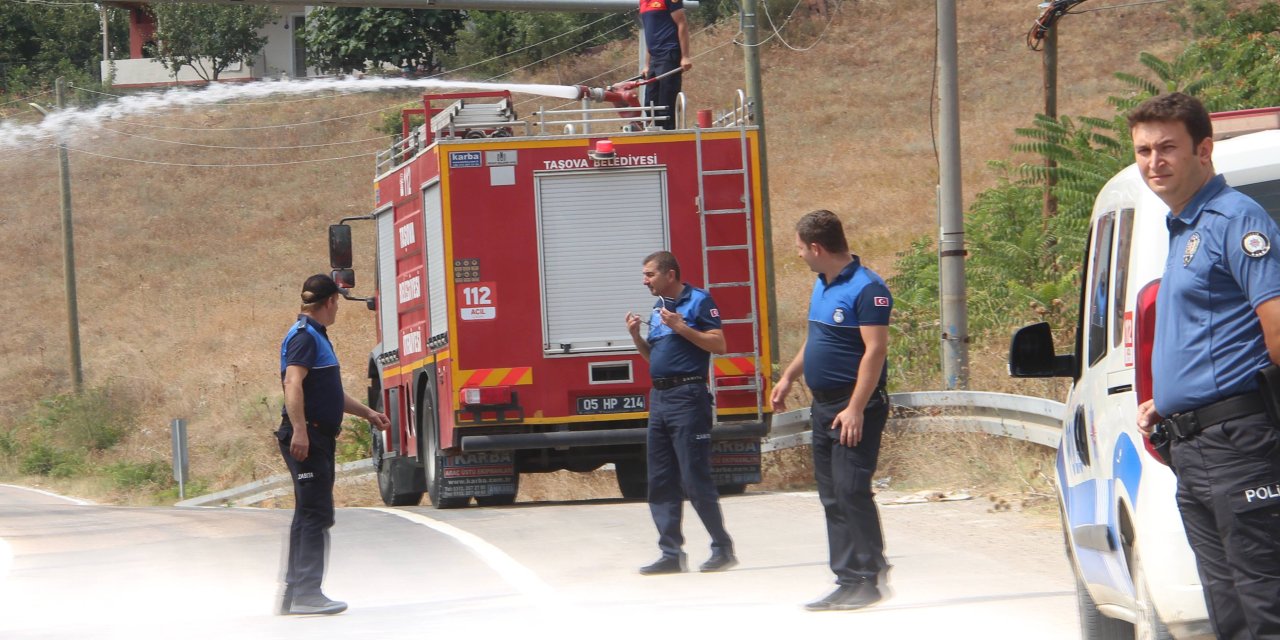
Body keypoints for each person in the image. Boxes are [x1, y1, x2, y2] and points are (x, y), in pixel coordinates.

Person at [1132, 93, 1280, 639]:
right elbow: (1212, 338)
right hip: (1195, 447)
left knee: (1265, 601)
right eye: (1144, 151)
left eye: (1167, 147)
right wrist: (1166, 400)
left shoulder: (1235, 218)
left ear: (1204, 149)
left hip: (1239, 443)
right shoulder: (1184, 228)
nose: (1154, 162)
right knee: (1229, 610)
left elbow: (1277, 326)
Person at [770, 210, 893, 612]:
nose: (800, 255)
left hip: (853, 405)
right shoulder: (821, 285)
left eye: (801, 248)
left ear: (817, 247)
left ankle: (871, 577)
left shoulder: (867, 288)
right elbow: (816, 339)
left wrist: (856, 408)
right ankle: (846, 578)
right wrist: (789, 376)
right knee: (831, 495)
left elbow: (875, 351)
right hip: (823, 406)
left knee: (850, 488)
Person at [276, 274, 391, 616]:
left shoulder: (313, 337)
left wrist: (368, 413)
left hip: (315, 434)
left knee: (307, 512)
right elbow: (292, 383)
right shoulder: (305, 338)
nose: (337, 308)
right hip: (308, 436)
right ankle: (307, 594)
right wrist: (300, 431)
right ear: (329, 302)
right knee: (316, 513)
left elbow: (329, 394)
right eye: (337, 302)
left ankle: (294, 593)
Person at [625, 251, 737, 574]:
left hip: (688, 396)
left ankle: (722, 547)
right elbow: (653, 358)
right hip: (660, 398)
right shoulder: (658, 307)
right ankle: (670, 553)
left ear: (670, 274)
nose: (645, 281)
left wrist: (681, 326)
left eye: (650, 274)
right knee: (660, 479)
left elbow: (718, 345)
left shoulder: (699, 301)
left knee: (694, 477)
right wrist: (636, 337)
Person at [639, 0, 691, 130]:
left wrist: (685, 56)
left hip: (669, 53)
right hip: (654, 58)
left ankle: (669, 135)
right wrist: (647, 64)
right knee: (650, 104)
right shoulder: (643, 2)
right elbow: (650, 34)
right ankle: (654, 134)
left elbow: (682, 23)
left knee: (666, 105)